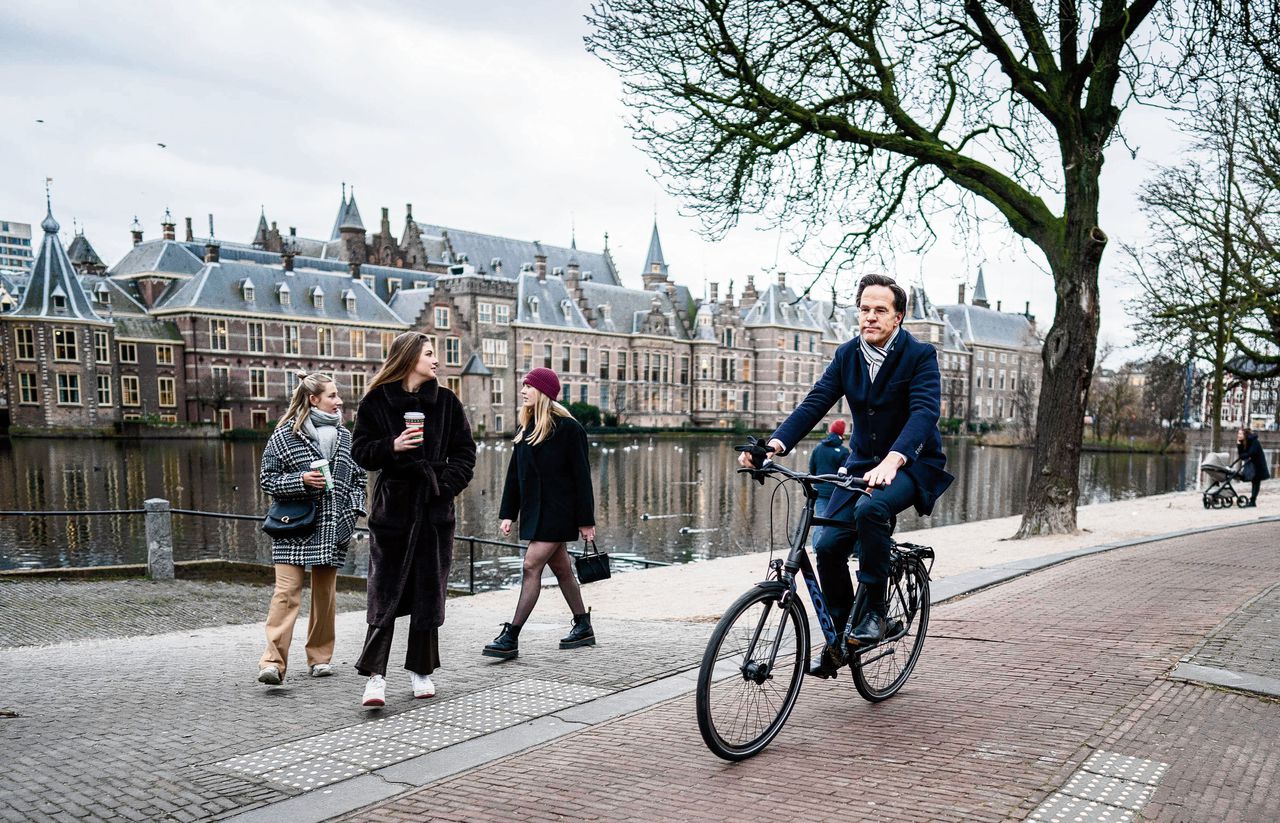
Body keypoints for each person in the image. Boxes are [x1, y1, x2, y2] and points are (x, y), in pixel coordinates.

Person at [739, 273, 953, 677]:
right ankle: (842, 636)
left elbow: (925, 412)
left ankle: (873, 610)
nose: (870, 318)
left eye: (880, 311)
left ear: (898, 318)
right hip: (860, 464)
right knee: (829, 544)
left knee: (871, 512)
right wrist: (775, 445)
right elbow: (815, 402)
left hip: (912, 461)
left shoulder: (919, 355)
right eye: (864, 310)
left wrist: (894, 459)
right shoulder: (847, 355)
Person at [351, 332, 476, 707]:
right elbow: (360, 451)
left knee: (428, 592)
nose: (436, 360)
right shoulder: (376, 401)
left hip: (434, 510)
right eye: (429, 354)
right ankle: (375, 676)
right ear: (408, 358)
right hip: (393, 511)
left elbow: (465, 454)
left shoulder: (447, 403)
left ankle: (421, 669)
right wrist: (392, 446)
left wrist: (443, 487)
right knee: (385, 592)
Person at [257, 372, 367, 686]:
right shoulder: (284, 435)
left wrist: (352, 510)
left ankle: (320, 658)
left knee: (325, 596)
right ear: (313, 399)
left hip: (333, 526)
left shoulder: (346, 437)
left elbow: (359, 480)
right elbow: (267, 480)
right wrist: (301, 481)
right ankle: (272, 664)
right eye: (333, 395)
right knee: (285, 595)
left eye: (338, 396)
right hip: (292, 525)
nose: (340, 401)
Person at [483, 367, 597, 660]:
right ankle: (583, 625)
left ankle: (512, 636)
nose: (523, 390)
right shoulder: (528, 427)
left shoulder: (570, 429)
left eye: (528, 386)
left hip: (560, 512)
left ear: (544, 392)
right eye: (522, 385)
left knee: (531, 566)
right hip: (537, 512)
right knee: (561, 570)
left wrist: (586, 521)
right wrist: (508, 513)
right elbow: (514, 474)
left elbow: (582, 478)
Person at [808, 419, 851, 545]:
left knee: (820, 520)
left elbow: (812, 468)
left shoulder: (818, 448)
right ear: (842, 433)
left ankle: (816, 548)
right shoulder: (843, 451)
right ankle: (829, 548)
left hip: (819, 490)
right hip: (836, 492)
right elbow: (845, 474)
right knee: (835, 522)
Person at [1237, 427, 1270, 507]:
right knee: (1254, 482)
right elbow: (1242, 455)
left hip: (1258, 465)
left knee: (1256, 482)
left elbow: (1251, 453)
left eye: (1240, 434)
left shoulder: (1254, 442)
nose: (1238, 435)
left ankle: (1253, 501)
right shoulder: (1244, 442)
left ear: (1245, 434)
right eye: (1238, 433)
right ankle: (1252, 501)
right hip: (1252, 465)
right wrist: (1239, 445)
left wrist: (1245, 455)